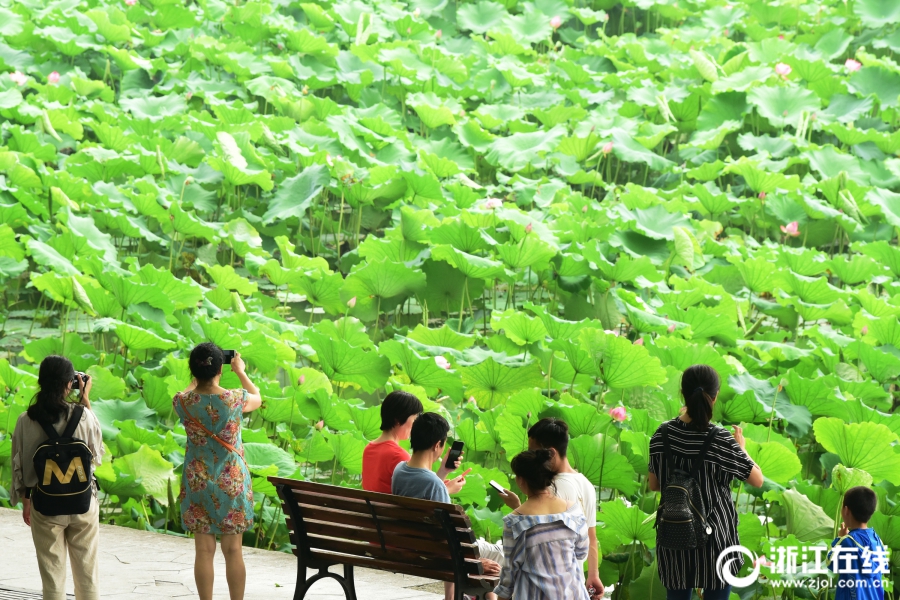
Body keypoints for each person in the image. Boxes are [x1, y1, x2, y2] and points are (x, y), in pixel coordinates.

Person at [647, 364, 764, 600]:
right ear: (715, 396)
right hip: (716, 539)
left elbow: (654, 484)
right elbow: (757, 479)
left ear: (683, 393)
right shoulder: (720, 439)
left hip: (675, 535)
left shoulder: (662, 434)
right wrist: (741, 449)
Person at [11, 355, 103, 600]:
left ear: (41, 382)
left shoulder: (25, 420)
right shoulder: (83, 415)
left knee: (52, 575)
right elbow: (97, 454)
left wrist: (26, 499)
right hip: (83, 504)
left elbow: (20, 465)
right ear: (69, 384)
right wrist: (85, 401)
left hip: (46, 504)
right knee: (87, 572)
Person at [174, 343, 262, 600]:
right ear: (220, 370)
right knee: (233, 550)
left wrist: (194, 382)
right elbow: (257, 398)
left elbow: (186, 392)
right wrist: (241, 372)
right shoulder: (234, 399)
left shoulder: (182, 402)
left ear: (193, 369)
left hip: (197, 481)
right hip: (230, 481)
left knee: (203, 551)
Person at [391, 412, 501, 600]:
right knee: (499, 560)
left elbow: (423, 491)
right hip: (440, 555)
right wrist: (476, 562)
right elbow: (449, 539)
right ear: (437, 445)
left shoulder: (399, 470)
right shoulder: (433, 484)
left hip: (411, 547)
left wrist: (443, 472)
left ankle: (451, 598)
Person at [502, 417, 603, 599]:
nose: (532, 458)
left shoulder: (556, 487)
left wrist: (517, 509)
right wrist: (593, 575)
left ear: (550, 453)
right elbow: (591, 536)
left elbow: (541, 535)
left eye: (534, 452)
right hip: (572, 585)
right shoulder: (584, 482)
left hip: (546, 588)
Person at [494, 449, 591, 600]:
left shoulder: (515, 522)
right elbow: (581, 552)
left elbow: (509, 574)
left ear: (521, 480)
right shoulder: (573, 511)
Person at [827, 486, 887, 600]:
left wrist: (839, 538)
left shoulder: (847, 542)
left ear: (846, 510)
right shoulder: (878, 540)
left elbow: (831, 563)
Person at [362, 390, 425, 494]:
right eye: (414, 420)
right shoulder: (398, 456)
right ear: (398, 420)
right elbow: (418, 498)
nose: (416, 425)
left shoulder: (368, 449)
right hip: (390, 510)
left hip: (371, 509)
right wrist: (447, 489)